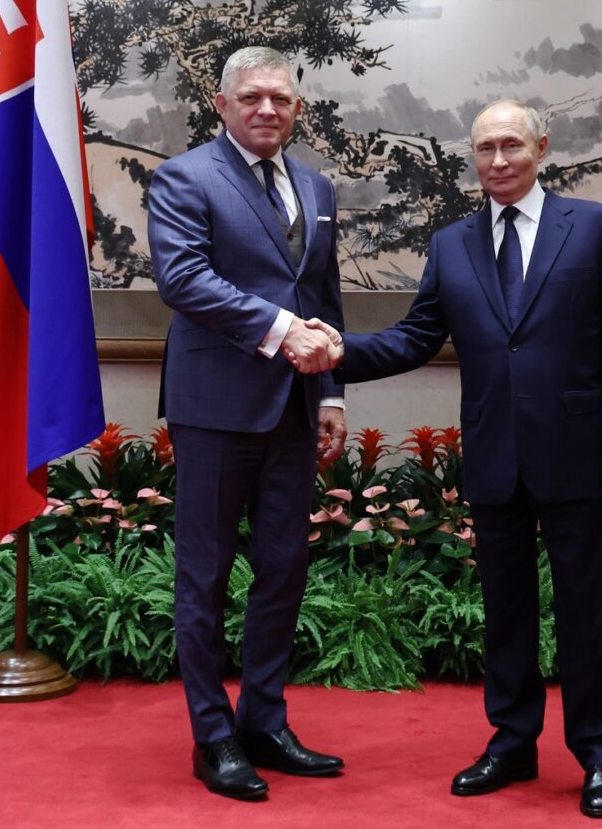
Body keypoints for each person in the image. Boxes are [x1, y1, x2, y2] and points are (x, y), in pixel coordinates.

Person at [306, 99, 602, 818]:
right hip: (494, 451)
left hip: (578, 451)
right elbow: (415, 337)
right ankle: (512, 742)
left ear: (541, 147)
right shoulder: (453, 243)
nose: (497, 161)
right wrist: (340, 351)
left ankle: (597, 757)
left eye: (511, 146)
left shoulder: (592, 228)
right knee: (505, 610)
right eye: (484, 149)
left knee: (589, 610)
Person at [147, 46, 348, 801]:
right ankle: (213, 735)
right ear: (223, 105)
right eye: (254, 97)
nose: (269, 110)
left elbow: (322, 293)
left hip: (296, 409)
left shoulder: (318, 185)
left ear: (297, 109)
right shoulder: (185, 177)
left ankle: (264, 720)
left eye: (283, 99)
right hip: (215, 410)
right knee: (203, 577)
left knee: (283, 569)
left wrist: (329, 393)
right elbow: (184, 278)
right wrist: (279, 330)